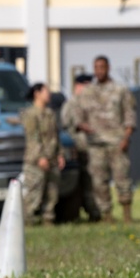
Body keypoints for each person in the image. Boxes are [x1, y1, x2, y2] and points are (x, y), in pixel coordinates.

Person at [75, 55, 137, 223]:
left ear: (108, 68)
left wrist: (126, 136)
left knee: (122, 178)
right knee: (98, 181)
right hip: (95, 144)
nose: (99, 71)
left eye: (102, 67)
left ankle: (127, 214)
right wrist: (82, 125)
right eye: (96, 68)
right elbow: (79, 116)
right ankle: (107, 215)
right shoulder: (88, 92)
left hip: (116, 142)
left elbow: (129, 115)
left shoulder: (120, 90)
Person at [22, 83, 66, 225]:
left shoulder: (50, 113)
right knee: (34, 192)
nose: (49, 94)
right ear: (37, 93)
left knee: (52, 192)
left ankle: (48, 219)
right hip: (36, 160)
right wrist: (40, 157)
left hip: (52, 158)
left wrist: (60, 154)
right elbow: (32, 138)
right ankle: (28, 220)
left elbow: (55, 136)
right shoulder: (30, 114)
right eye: (46, 91)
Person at [60, 74, 101, 221]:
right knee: (79, 186)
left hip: (91, 150)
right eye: (86, 84)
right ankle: (79, 214)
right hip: (78, 151)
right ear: (78, 86)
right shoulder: (71, 105)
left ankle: (95, 213)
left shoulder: (91, 103)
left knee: (93, 183)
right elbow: (66, 128)